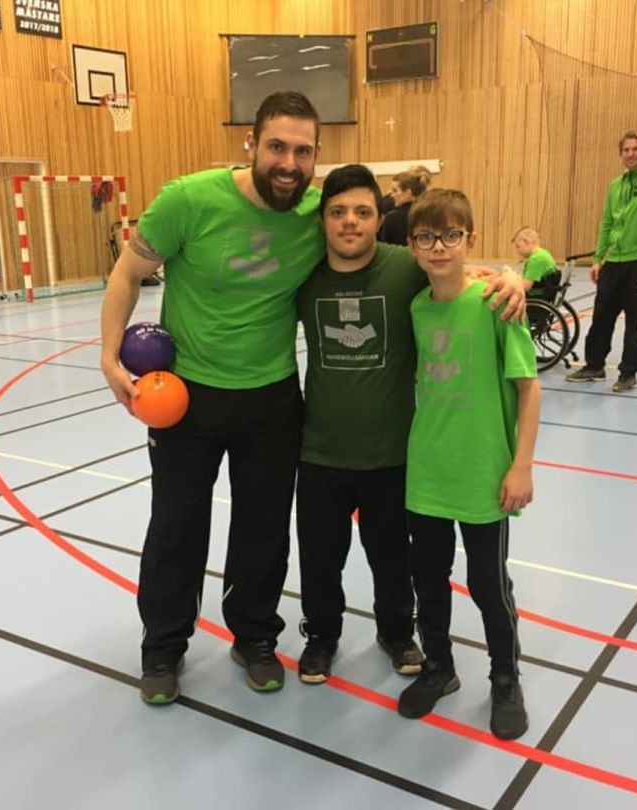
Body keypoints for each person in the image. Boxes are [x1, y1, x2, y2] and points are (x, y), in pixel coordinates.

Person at [99, 91, 326, 705]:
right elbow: (127, 273)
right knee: (176, 526)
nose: (289, 162)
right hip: (185, 399)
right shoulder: (189, 199)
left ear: (316, 157)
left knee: (263, 530)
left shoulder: (318, 211)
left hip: (272, 400)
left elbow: (409, 241)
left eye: (302, 151)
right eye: (277, 146)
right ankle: (162, 651)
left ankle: (254, 637)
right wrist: (107, 355)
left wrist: (507, 273)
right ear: (251, 144)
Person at [295, 166, 527, 685]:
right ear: (324, 222)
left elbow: (457, 266)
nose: (350, 222)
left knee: (395, 562)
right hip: (320, 451)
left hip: (394, 453)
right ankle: (321, 639)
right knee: (319, 559)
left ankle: (399, 633)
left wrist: (513, 275)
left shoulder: (405, 268)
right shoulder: (304, 273)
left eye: (362, 212)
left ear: (381, 220)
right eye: (337, 212)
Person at [396, 188, 541, 742]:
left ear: (469, 240)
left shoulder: (496, 304)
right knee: (428, 582)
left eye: (451, 235)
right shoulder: (415, 308)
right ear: (412, 245)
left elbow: (529, 390)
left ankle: (505, 679)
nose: (439, 247)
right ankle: (439, 668)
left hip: (484, 475)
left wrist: (521, 465)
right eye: (427, 237)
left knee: (488, 585)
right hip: (427, 472)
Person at [566, 130, 637, 392]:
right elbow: (606, 222)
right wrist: (597, 259)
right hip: (612, 262)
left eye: (635, 149)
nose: (630, 154)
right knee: (602, 315)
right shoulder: (616, 185)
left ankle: (629, 372)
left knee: (636, 320)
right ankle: (595, 365)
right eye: (626, 150)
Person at [377, 166, 432, 246]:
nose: (391, 195)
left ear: (408, 192)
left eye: (395, 191)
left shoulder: (392, 219)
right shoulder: (432, 213)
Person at [511, 226, 559, 300]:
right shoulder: (542, 253)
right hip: (542, 294)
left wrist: (510, 280)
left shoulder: (536, 259)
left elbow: (525, 287)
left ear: (526, 242)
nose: (518, 251)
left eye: (518, 247)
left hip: (536, 298)